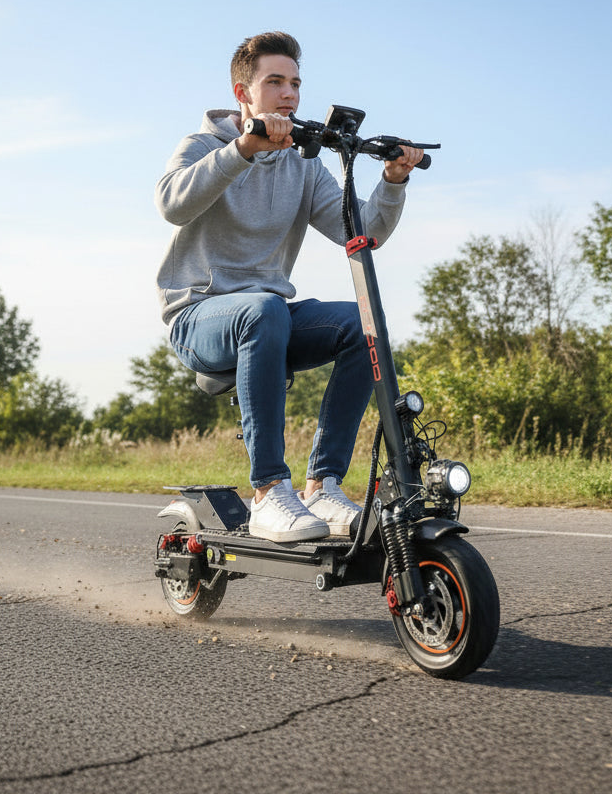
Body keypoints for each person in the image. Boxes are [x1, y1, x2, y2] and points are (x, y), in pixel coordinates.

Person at [155, 31, 424, 542]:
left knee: (361, 323)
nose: (289, 94)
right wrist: (243, 149)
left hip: (268, 317)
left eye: (295, 84)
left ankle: (322, 485)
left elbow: (361, 232)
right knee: (263, 309)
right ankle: (268, 492)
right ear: (243, 93)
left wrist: (393, 181)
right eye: (275, 82)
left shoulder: (303, 164)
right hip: (198, 316)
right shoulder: (203, 146)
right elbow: (172, 204)